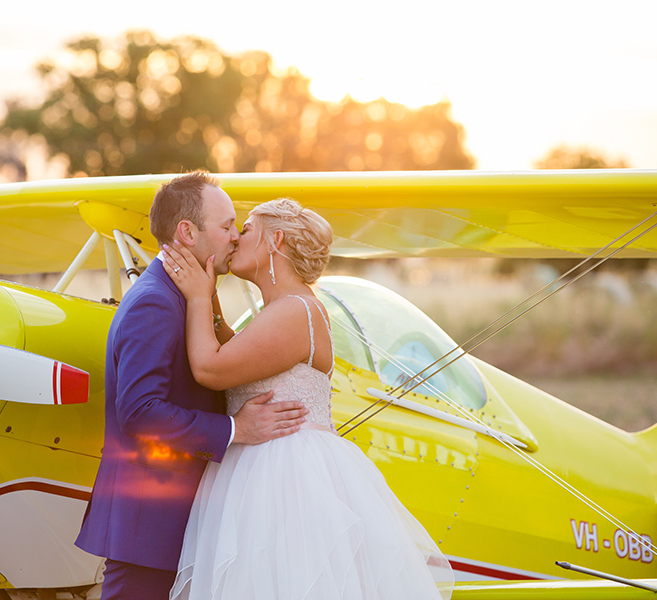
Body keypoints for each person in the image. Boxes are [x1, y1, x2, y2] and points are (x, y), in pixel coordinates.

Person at [162, 198, 454, 600]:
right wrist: (210, 298)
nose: (235, 239)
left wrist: (197, 297)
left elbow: (211, 369)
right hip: (262, 470)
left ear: (276, 240)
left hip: (287, 477)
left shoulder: (295, 311)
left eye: (246, 229)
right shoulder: (286, 309)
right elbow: (238, 355)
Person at [75, 172, 310, 600]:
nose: (236, 237)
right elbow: (139, 412)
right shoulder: (155, 301)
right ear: (187, 232)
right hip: (149, 525)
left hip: (178, 523)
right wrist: (238, 429)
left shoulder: (184, 295)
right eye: (227, 226)